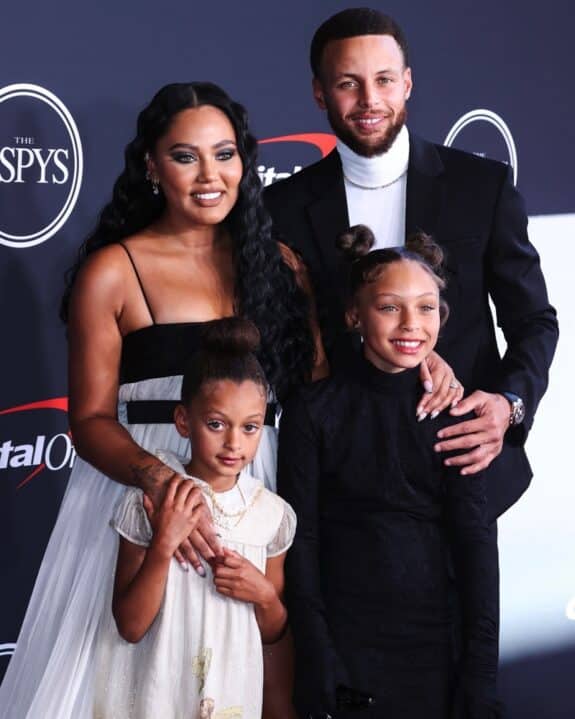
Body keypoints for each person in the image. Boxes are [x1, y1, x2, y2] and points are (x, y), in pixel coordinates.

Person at [0, 82, 314, 719]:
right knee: (129, 680)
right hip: (139, 499)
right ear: (150, 164)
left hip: (251, 485)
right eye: (184, 156)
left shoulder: (272, 267)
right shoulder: (113, 270)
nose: (209, 176)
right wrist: (169, 491)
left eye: (224, 155)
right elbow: (87, 421)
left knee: (237, 667)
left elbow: (321, 389)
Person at [265, 7, 558, 516]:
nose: (369, 100)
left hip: (464, 467)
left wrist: (507, 408)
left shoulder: (481, 188)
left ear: (407, 84)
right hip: (341, 486)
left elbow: (533, 321)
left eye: (383, 80)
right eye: (348, 84)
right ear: (319, 93)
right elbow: (280, 345)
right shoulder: (282, 208)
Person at [278, 226, 501, 718]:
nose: (410, 324)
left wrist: (481, 669)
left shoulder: (457, 417)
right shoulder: (312, 411)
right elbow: (302, 541)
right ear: (355, 315)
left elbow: (476, 545)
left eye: (426, 307)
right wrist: (318, 657)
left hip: (438, 647)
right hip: (346, 643)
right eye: (389, 307)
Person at [93, 318, 296, 719]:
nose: (234, 443)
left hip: (231, 698)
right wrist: (164, 544)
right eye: (216, 424)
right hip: (158, 695)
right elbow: (130, 626)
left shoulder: (272, 516)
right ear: (184, 421)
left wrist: (265, 596)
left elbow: (272, 630)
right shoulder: (150, 503)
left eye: (250, 427)